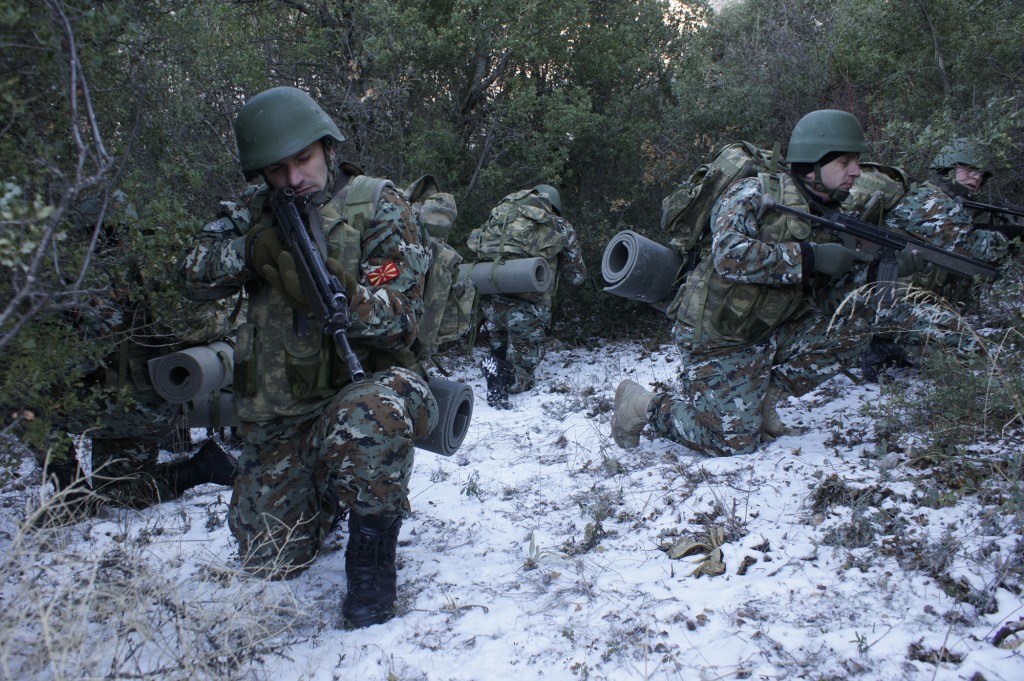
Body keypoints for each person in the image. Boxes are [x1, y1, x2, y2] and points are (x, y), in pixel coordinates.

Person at [179, 86, 438, 628]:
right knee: (268, 556)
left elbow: (402, 317)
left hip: (368, 387)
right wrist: (252, 251)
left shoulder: (378, 204)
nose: (295, 179)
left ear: (327, 149)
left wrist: (340, 296)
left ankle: (370, 557)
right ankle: (325, 489)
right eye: (278, 170)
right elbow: (190, 274)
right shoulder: (251, 215)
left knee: (370, 419)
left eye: (304, 160)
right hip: (281, 414)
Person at [612, 109, 878, 456]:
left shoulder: (830, 215)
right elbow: (729, 255)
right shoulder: (753, 192)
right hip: (719, 337)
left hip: (771, 328)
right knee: (731, 444)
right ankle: (643, 404)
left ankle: (765, 398)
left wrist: (874, 266)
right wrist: (811, 257)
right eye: (845, 162)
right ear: (814, 161)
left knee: (854, 327)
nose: (856, 171)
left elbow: (832, 297)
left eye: (856, 162)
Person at [35, 191, 237, 523]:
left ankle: (68, 495)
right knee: (120, 492)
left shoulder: (93, 281)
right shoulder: (156, 262)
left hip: (124, 405)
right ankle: (202, 467)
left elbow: (78, 364)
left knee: (17, 398)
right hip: (159, 400)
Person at [859, 138, 1009, 380]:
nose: (976, 178)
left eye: (980, 173)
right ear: (948, 169)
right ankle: (879, 346)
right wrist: (1006, 238)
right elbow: (973, 248)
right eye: (969, 170)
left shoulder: (948, 202)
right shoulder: (931, 201)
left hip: (900, 300)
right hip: (883, 304)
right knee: (968, 350)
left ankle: (897, 343)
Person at [469, 184, 586, 408]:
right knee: (524, 372)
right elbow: (576, 275)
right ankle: (506, 378)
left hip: (492, 301)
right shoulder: (558, 225)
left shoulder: (505, 220)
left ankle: (496, 364)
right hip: (528, 308)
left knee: (502, 343)